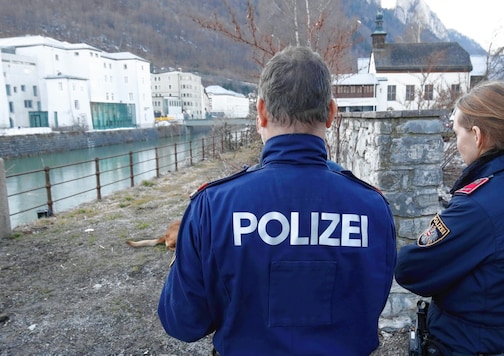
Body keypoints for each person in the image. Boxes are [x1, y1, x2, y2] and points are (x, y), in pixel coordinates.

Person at [157, 46, 397, 355]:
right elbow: (371, 303)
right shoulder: (372, 208)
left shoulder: (212, 207)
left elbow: (182, 322)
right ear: (332, 113)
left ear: (261, 111)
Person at [395, 80, 504, 355]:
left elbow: (411, 269)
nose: (457, 144)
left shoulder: (479, 207)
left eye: (458, 133)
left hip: (464, 345)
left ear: (478, 135)